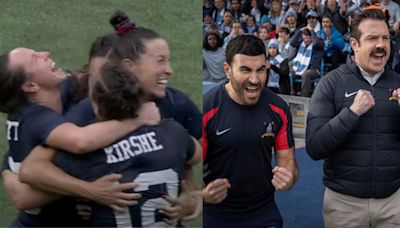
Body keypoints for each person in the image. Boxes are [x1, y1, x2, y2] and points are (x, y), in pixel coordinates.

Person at [19, 10, 203, 224]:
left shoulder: (175, 102)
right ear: (128, 66)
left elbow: (189, 158)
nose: (169, 70)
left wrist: (192, 194)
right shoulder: (88, 110)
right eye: (160, 61)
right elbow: (31, 174)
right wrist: (88, 191)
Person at [0, 47, 159, 226]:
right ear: (30, 86)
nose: (45, 53)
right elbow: (81, 142)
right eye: (35, 58)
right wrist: (136, 120)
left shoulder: (60, 93)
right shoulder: (35, 116)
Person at [306, 9, 400, 227]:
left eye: (385, 38)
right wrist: (352, 113)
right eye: (372, 38)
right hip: (344, 205)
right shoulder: (331, 83)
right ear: (355, 44)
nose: (381, 45)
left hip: (394, 203)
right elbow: (314, 147)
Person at [202, 35, 298, 228]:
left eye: (260, 70)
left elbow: (288, 163)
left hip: (263, 210)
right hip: (215, 213)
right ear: (227, 70)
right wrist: (202, 193)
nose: (255, 79)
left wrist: (289, 178)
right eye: (245, 70)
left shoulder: (278, 108)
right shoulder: (206, 109)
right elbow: (189, 172)